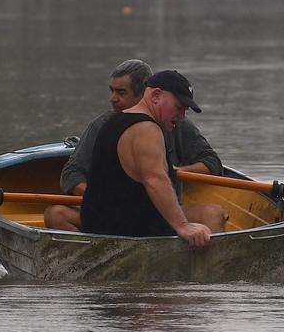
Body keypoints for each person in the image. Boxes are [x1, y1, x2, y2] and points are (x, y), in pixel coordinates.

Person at [44, 59, 223, 232]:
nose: (112, 99)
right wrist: (101, 200)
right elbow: (71, 174)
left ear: (146, 93)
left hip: (158, 214)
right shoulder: (104, 125)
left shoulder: (175, 121)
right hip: (117, 215)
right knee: (56, 214)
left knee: (213, 214)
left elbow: (212, 162)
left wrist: (175, 171)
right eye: (112, 91)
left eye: (121, 92)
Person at [80, 70, 225, 246]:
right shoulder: (147, 128)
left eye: (185, 111)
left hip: (98, 228)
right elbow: (154, 179)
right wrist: (183, 226)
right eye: (178, 107)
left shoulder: (114, 122)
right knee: (208, 223)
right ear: (156, 95)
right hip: (128, 235)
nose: (181, 117)